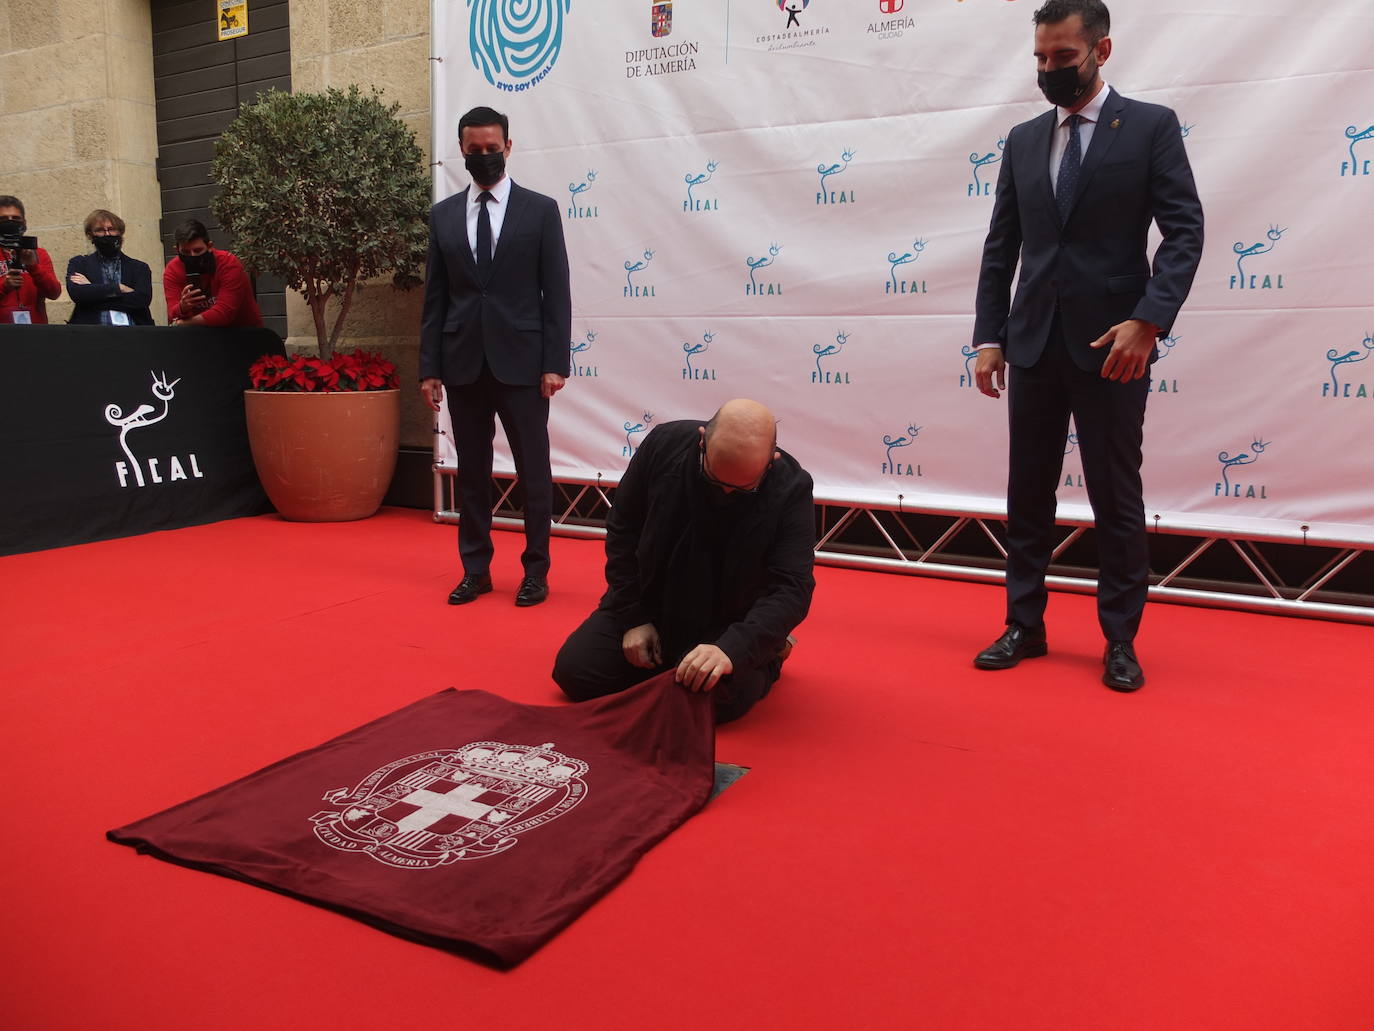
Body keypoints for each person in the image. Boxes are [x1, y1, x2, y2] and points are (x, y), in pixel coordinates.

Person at [970, 0, 1204, 692]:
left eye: (1062, 58)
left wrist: (1148, 320)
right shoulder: (1021, 139)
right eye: (1040, 58)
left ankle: (1121, 638)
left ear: (1102, 51)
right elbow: (1001, 248)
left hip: (1114, 347)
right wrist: (989, 336)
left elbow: (1185, 232)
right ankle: (1024, 624)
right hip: (1033, 343)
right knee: (1027, 493)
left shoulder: (1152, 128)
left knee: (1115, 496)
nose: (1048, 70)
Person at [553, 400, 816, 723]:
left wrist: (733, 648)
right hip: (653, 604)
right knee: (576, 673)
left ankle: (770, 654)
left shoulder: (792, 487)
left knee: (716, 705)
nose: (726, 493)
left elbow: (791, 587)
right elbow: (623, 532)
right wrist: (634, 618)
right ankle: (671, 666)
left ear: (771, 462)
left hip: (728, 619)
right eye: (715, 479)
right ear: (702, 440)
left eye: (744, 488)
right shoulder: (663, 447)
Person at [419, 106, 572, 609]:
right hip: (463, 364)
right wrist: (430, 368)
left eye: (492, 149)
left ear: (508, 147)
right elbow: (435, 300)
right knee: (473, 473)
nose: (483, 157)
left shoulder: (541, 210)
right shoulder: (442, 215)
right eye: (474, 150)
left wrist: (555, 362)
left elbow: (557, 292)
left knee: (533, 471)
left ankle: (536, 572)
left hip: (524, 365)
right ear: (461, 150)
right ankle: (476, 569)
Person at [162, 219, 263, 328]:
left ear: (210, 246)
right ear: (176, 250)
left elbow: (224, 313)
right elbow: (172, 314)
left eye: (197, 250)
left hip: (243, 332)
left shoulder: (228, 263)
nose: (192, 256)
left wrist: (184, 324)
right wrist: (182, 307)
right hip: (199, 336)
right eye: (185, 252)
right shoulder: (172, 270)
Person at [65, 209, 155, 326]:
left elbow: (142, 300)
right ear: (90, 235)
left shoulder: (139, 267)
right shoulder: (79, 263)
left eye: (112, 229)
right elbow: (77, 294)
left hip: (133, 336)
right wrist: (119, 288)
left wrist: (92, 291)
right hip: (91, 337)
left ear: (120, 233)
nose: (107, 234)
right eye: (100, 230)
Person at [0, 196, 62, 325]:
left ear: (24, 223)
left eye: (16, 218)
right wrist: (4, 286)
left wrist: (34, 267)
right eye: (4, 219)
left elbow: (54, 293)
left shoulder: (39, 253)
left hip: (34, 331)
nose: (10, 222)